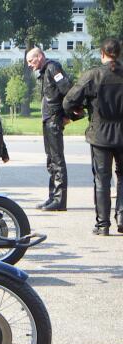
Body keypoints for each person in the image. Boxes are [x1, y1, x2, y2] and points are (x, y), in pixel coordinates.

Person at [63, 38, 123, 235]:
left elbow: (68, 101)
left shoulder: (93, 75)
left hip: (100, 134)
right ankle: (122, 217)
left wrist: (77, 112)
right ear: (118, 53)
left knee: (102, 179)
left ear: (102, 54)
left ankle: (103, 224)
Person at [26, 47, 72, 211]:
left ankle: (60, 200)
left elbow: (68, 90)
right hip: (48, 119)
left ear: (39, 56)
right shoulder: (45, 71)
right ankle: (53, 197)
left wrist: (66, 114)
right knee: (51, 160)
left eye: (31, 61)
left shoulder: (53, 67)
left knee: (57, 160)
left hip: (54, 118)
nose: (29, 65)